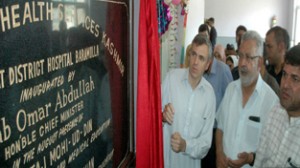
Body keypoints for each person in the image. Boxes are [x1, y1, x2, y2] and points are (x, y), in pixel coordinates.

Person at [215, 31, 279, 168]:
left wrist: (250, 159)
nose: (242, 63)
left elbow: (271, 151)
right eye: (241, 56)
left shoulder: (271, 102)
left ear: (260, 62)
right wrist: (219, 153)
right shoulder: (231, 89)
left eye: (249, 57)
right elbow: (220, 128)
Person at [162, 34, 216, 168]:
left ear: (208, 64)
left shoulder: (209, 95)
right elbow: (151, 115)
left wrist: (185, 145)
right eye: (193, 54)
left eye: (201, 58)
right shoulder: (171, 78)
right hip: (165, 161)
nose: (195, 62)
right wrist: (162, 115)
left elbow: (205, 143)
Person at [252, 44, 300, 167]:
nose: (285, 85)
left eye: (295, 78)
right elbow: (259, 160)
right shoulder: (275, 111)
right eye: (284, 74)